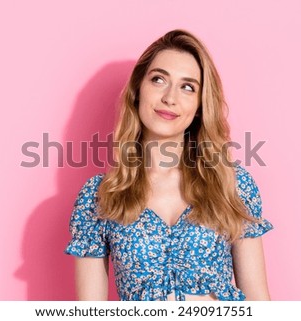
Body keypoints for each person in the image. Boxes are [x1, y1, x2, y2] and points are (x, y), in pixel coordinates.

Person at [64, 29, 273, 301]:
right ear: (138, 91)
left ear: (199, 105)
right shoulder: (100, 196)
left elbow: (258, 300)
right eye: (159, 80)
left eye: (188, 87)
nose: (170, 98)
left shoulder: (232, 184)